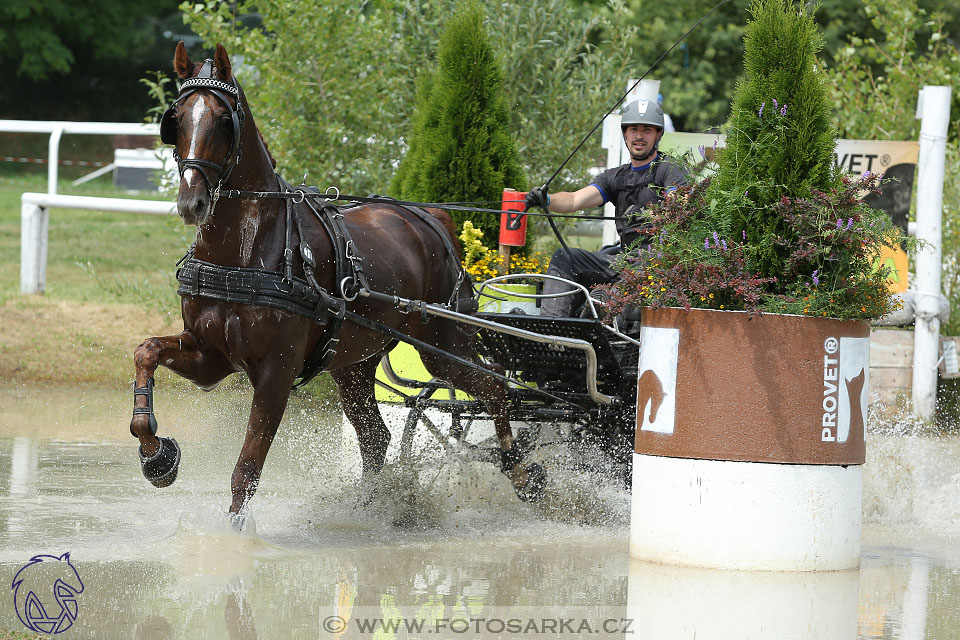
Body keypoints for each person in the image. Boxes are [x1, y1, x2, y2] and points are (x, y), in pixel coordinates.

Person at [523, 98, 688, 317]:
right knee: (564, 256)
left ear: (658, 135)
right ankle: (551, 333)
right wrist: (547, 199)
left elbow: (679, 201)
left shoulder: (669, 169)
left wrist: (663, 211)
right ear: (625, 134)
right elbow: (574, 201)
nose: (639, 136)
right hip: (620, 259)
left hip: (654, 262)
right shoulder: (613, 177)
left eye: (647, 130)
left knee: (607, 298)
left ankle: (601, 319)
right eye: (634, 129)